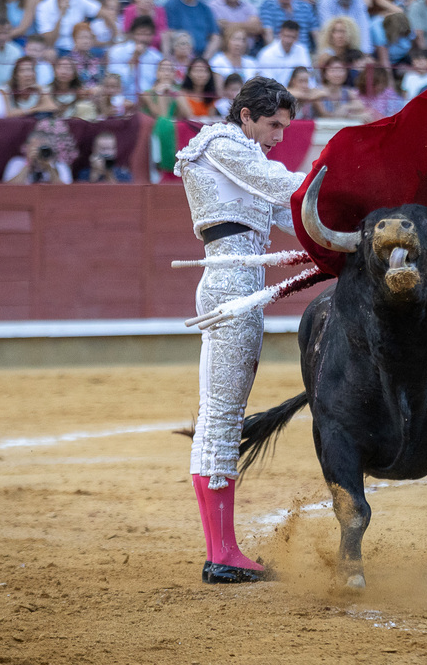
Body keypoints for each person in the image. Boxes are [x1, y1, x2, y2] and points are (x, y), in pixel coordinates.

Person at [174, 76, 305, 585]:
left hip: (238, 285)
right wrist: (350, 181)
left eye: (285, 127)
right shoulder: (223, 143)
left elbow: (290, 214)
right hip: (232, 288)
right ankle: (222, 552)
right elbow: (283, 185)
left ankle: (222, 548)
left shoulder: (241, 162)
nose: (278, 135)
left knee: (218, 417)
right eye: (272, 123)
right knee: (223, 419)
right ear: (245, 114)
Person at [4, 127, 72, 183]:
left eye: (43, 149)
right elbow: (8, 189)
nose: (39, 153)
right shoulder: (17, 163)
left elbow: (66, 191)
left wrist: (49, 168)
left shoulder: (60, 166)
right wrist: (28, 165)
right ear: (26, 147)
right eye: (36, 148)